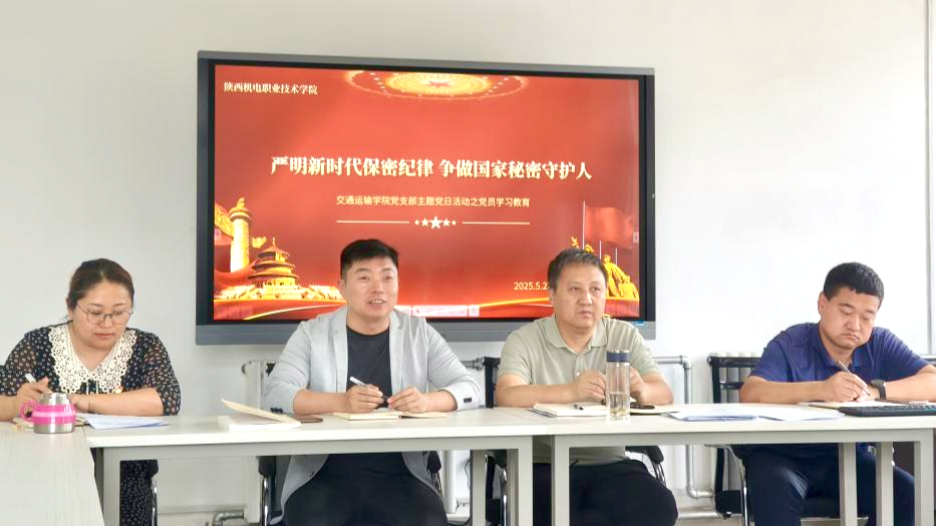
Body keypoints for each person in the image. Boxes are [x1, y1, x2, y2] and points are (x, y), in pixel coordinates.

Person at [262, 239, 481, 526]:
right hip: (323, 478)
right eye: (364, 278)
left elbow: (470, 389)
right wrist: (341, 402)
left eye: (387, 277)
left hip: (401, 477)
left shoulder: (418, 333)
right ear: (342, 288)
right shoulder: (312, 334)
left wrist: (427, 401)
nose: (378, 288)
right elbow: (275, 395)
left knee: (429, 520)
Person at [739, 262, 936, 526]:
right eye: (846, 311)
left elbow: (932, 382)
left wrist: (876, 391)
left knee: (906, 492)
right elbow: (751, 392)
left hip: (847, 455)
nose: (855, 325)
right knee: (775, 494)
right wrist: (822, 389)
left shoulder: (880, 344)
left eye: (867, 317)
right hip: (782, 456)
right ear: (822, 303)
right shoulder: (792, 342)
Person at [496, 248, 678, 526]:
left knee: (658, 506)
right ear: (551, 295)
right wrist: (570, 391)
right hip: (542, 464)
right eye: (574, 289)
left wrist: (641, 389)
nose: (587, 299)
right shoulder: (525, 339)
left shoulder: (623, 334)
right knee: (559, 515)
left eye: (595, 289)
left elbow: (663, 393)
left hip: (610, 464)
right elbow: (507, 395)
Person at [0, 258, 181, 526]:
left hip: (125, 479)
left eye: (119, 313)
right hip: (44, 475)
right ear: (70, 307)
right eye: (95, 313)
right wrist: (18, 403)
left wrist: (86, 401)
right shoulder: (38, 344)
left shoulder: (145, 346)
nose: (107, 323)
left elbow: (166, 399)